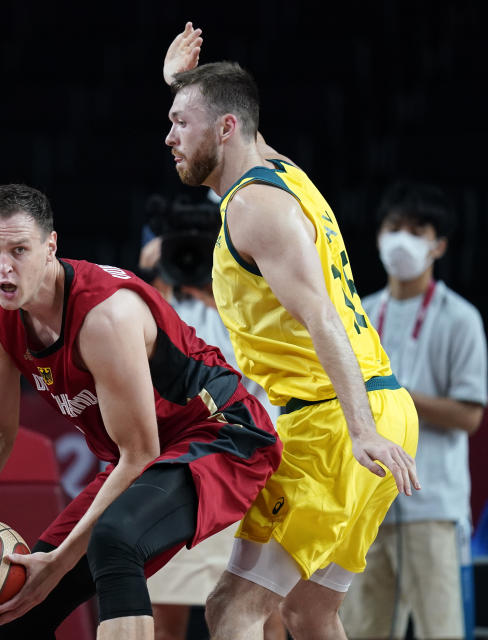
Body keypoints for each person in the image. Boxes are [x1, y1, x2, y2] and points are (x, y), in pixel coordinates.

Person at [0, 184, 282, 640]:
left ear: (51, 246)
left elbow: (139, 453)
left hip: (224, 435)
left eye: (19, 250)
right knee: (17, 610)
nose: (3, 267)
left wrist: (57, 563)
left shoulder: (104, 316)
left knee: (114, 540)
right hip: (148, 455)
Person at [162, 23, 421, 639]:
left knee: (231, 608)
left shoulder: (254, 209)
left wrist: (358, 431)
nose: (168, 137)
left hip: (335, 423)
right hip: (381, 407)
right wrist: (182, 85)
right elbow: (234, 111)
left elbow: (321, 320)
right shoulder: (284, 175)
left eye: (179, 122)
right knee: (311, 611)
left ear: (225, 129)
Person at [339, 183, 486, 640]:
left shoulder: (460, 318)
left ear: (438, 244)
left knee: (440, 630)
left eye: (417, 230)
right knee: (361, 629)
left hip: (432, 505)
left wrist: (394, 395)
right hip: (367, 503)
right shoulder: (359, 314)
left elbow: (469, 416)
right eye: (393, 228)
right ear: (379, 237)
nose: (402, 238)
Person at [138, 194, 284, 640]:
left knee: (262, 614)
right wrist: (157, 277)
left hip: (255, 464)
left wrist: (218, 291)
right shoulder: (155, 302)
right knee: (164, 620)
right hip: (181, 468)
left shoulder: (261, 290)